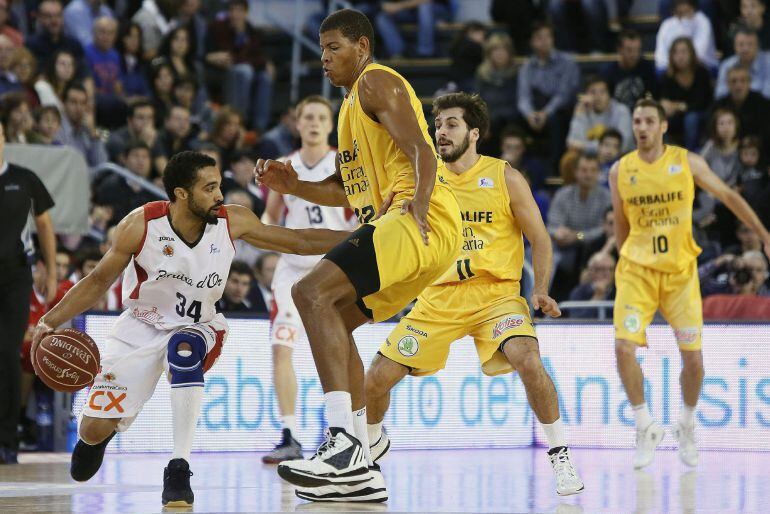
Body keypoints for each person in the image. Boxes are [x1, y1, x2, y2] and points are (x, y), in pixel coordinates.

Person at [30, 151, 351, 506]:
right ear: (181, 194)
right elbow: (97, 281)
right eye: (209, 188)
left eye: (219, 186)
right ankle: (98, 437)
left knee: (183, 349)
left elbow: (299, 241)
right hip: (140, 326)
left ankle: (179, 467)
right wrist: (49, 320)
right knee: (92, 430)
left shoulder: (231, 221)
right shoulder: (140, 225)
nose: (219, 195)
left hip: (200, 325)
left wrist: (360, 235)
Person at [256, 8, 463, 503]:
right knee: (336, 317)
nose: (324, 58)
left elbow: (422, 149)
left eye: (334, 47)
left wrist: (418, 202)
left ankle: (344, 443)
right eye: (322, 50)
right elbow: (343, 189)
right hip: (411, 229)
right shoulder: (351, 108)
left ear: (362, 47)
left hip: (418, 217)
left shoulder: (375, 82)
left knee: (309, 292)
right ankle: (363, 463)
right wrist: (295, 186)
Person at [364, 92, 584, 497]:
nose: (441, 132)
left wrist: (540, 289)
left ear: (475, 132)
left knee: (527, 358)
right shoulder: (421, 178)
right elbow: (392, 230)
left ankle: (560, 454)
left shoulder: (504, 177)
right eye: (438, 125)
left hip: (495, 295)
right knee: (375, 380)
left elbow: (540, 238)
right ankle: (372, 446)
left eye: (452, 124)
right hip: (438, 298)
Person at [608, 98, 770, 471]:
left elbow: (728, 196)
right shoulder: (620, 170)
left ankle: (686, 423)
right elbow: (620, 222)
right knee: (622, 347)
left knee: (693, 360)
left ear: (663, 126)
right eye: (637, 121)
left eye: (649, 121)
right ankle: (644, 425)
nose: (642, 127)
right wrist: (624, 259)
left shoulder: (686, 162)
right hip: (637, 272)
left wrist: (764, 235)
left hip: (679, 274)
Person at [260, 95, 357, 464]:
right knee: (281, 348)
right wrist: (268, 239)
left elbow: (361, 216)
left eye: (321, 117)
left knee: (337, 351)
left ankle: (347, 430)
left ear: (331, 125)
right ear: (297, 123)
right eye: (308, 117)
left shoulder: (343, 165)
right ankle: (290, 435)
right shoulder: (285, 166)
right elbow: (271, 216)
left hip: (333, 267)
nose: (314, 123)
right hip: (292, 268)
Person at [0, 120, 57, 464]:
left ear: (4, 138)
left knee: (8, 354)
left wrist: (51, 269)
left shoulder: (24, 178)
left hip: (14, 277)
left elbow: (44, 224)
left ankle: (7, 440)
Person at [660, 37, 713, 150]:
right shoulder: (667, 76)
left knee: (691, 118)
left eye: (684, 52)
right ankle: (666, 152)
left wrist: (679, 106)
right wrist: (667, 106)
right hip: (677, 116)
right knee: (660, 118)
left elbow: (700, 102)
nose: (680, 56)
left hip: (701, 113)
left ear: (691, 54)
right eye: (676, 53)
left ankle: (690, 153)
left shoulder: (701, 73)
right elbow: (665, 101)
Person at [654, 0, 717, 73]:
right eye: (680, 13)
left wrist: (680, 63)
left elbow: (700, 54)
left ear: (693, 9)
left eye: (687, 11)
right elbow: (660, 55)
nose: (684, 16)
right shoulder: (666, 25)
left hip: (702, 66)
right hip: (672, 66)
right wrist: (672, 65)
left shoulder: (703, 22)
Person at [602, 29, 658, 112]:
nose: (634, 54)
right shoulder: (608, 72)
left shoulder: (647, 68)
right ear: (619, 49)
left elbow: (654, 97)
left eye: (637, 50)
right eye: (629, 50)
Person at [715, 27, 770, 100]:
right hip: (734, 105)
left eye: (750, 44)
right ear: (734, 46)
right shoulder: (727, 65)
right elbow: (720, 95)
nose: (745, 49)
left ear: (757, 46)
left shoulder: (768, 62)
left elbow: (767, 95)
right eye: (741, 45)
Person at [567, 251, 616, 319]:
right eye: (602, 269)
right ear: (591, 271)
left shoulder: (619, 291)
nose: (607, 273)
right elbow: (577, 321)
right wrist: (597, 296)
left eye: (611, 269)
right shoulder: (579, 292)